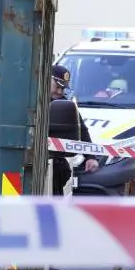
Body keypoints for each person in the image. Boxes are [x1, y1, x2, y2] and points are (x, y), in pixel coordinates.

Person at [49, 65, 99, 194]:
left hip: (53, 164)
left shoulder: (64, 104)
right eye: (58, 86)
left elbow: (81, 129)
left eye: (63, 88)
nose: (60, 92)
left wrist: (90, 156)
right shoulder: (32, 101)